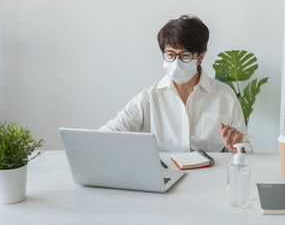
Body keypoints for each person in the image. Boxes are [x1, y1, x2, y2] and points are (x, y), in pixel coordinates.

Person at [100, 15, 252, 153]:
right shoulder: (149, 98)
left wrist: (237, 148)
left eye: (184, 55)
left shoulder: (225, 97)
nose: (176, 62)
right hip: (165, 178)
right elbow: (109, 133)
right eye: (170, 54)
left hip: (211, 179)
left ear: (200, 57)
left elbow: (246, 149)